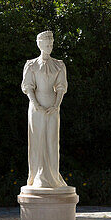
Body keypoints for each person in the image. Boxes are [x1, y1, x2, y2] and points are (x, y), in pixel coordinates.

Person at [21, 30, 68, 189]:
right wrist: (35, 104)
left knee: (52, 141)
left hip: (52, 106)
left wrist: (56, 105)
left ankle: (53, 175)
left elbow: (61, 87)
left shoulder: (59, 65)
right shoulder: (31, 65)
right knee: (37, 140)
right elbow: (28, 87)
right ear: (39, 44)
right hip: (36, 107)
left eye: (51, 44)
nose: (50, 46)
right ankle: (38, 175)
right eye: (47, 44)